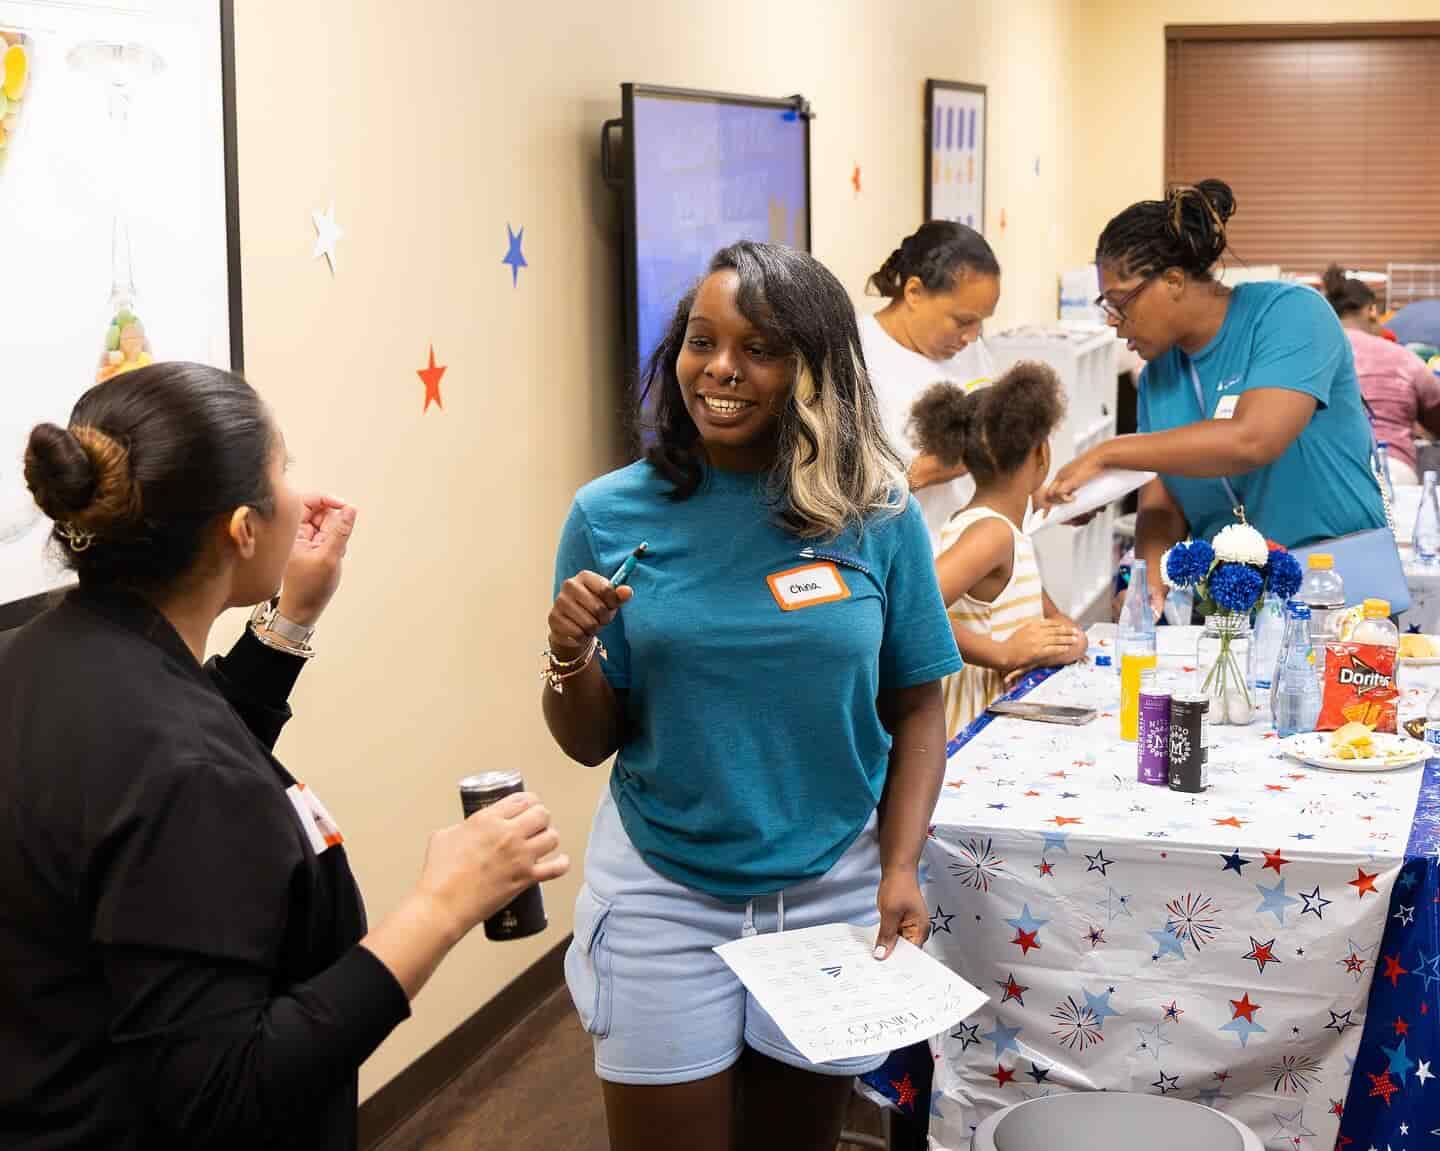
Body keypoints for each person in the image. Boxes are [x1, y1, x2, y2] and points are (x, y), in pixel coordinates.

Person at [0, 363, 569, 1150]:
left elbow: (152, 788)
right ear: (242, 528)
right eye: (284, 470)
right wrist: (442, 905)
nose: (300, 495)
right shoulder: (184, 768)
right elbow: (229, 1092)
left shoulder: (41, 660)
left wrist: (290, 616)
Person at [543, 243, 961, 1151]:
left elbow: (918, 706)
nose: (721, 370)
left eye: (759, 348)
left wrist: (898, 866)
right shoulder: (611, 514)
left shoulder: (875, 514)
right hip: (663, 889)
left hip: (830, 885)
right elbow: (589, 740)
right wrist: (568, 653)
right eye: (702, 341)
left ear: (814, 370)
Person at [1042, 180, 1387, 615]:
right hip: (1229, 605)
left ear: (1172, 281)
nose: (1114, 322)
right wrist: (1150, 577)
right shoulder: (1160, 376)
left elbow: (1253, 439)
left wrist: (1110, 452)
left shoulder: (1290, 315)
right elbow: (1162, 503)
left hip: (1335, 589)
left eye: (1118, 302)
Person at [910, 363, 1088, 735]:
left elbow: (1058, 623)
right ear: (1043, 453)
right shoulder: (991, 534)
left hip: (1000, 723)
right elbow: (914, 610)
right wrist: (1003, 653)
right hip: (969, 730)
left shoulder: (1007, 535)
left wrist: (1068, 643)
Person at [860, 221, 1002, 549]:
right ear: (914, 293)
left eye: (982, 321)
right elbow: (857, 491)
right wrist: (952, 462)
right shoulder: (856, 355)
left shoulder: (970, 351)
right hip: (912, 564)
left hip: (980, 550)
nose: (972, 336)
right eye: (963, 321)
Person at [1323, 263, 1440, 486]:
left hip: (1328, 471)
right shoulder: (1402, 358)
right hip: (1392, 471)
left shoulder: (1314, 355)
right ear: (1372, 310)